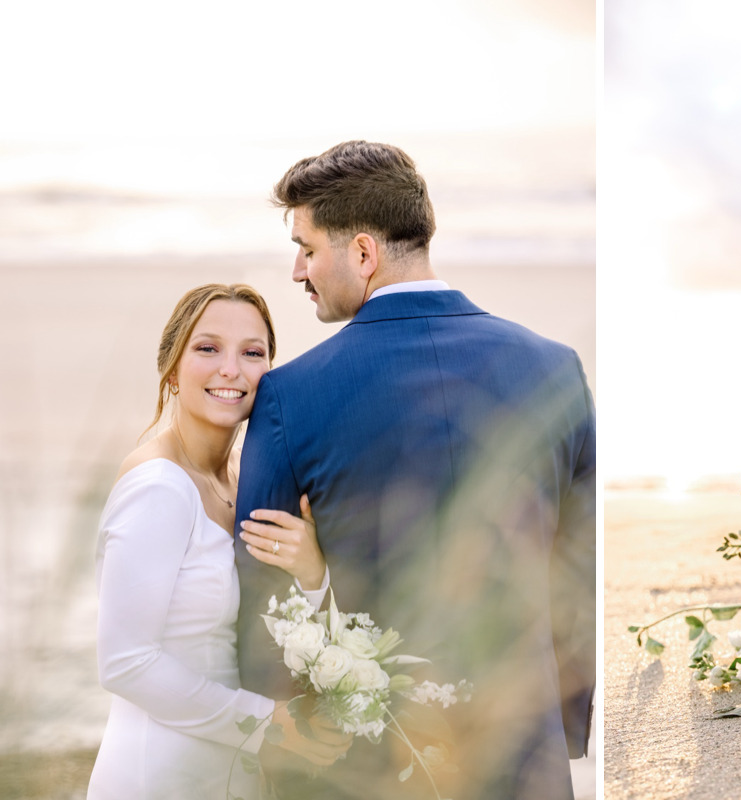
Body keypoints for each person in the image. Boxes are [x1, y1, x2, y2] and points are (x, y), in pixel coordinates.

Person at [234, 141, 596, 800]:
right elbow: (582, 566)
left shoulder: (290, 394)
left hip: (363, 765)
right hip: (527, 752)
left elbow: (261, 589)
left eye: (308, 248)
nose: (296, 270)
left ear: (364, 253)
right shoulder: (555, 368)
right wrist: (566, 726)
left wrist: (286, 741)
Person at [89, 284, 351, 800]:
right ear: (172, 367)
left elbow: (268, 620)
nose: (231, 369)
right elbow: (124, 662)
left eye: (252, 353)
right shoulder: (158, 487)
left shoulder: (241, 479)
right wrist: (267, 721)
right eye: (208, 348)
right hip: (158, 776)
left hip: (233, 772)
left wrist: (313, 572)